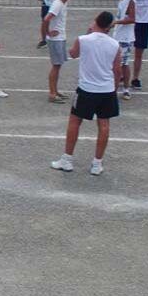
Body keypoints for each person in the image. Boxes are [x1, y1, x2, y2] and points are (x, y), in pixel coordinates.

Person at [51, 11, 122, 176]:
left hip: (86, 89)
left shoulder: (83, 40)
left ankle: (67, 160)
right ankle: (97, 164)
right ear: (109, 26)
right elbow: (117, 70)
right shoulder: (114, 44)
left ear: (96, 21)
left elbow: (73, 53)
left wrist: (88, 33)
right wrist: (114, 87)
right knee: (104, 125)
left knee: (74, 121)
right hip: (106, 90)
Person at [42, 0, 73, 103]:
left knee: (58, 65)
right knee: (56, 66)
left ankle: (55, 90)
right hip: (56, 40)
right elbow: (46, 19)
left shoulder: (64, 3)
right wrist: (48, 33)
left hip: (61, 38)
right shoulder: (57, 4)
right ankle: (52, 94)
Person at [112, 0, 137, 100]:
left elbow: (132, 18)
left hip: (125, 39)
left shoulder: (130, 0)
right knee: (118, 64)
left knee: (123, 64)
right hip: (118, 36)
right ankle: (118, 87)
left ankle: (126, 89)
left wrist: (115, 23)